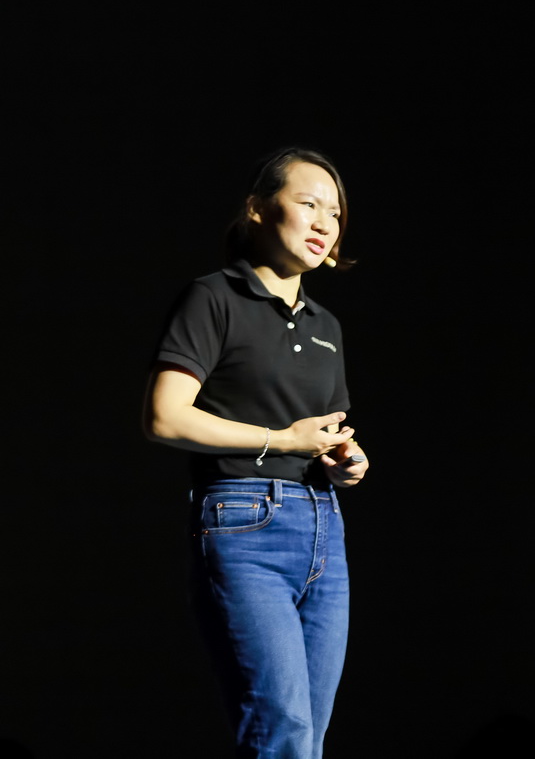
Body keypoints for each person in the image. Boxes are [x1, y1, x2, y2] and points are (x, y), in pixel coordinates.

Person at [142, 148, 370, 759]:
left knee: (309, 739)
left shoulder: (326, 326)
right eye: (308, 204)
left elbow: (326, 432)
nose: (324, 222)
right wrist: (283, 440)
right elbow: (164, 416)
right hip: (246, 525)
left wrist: (346, 460)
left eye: (335, 213)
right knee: (283, 733)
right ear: (257, 210)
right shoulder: (213, 297)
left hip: (324, 529)